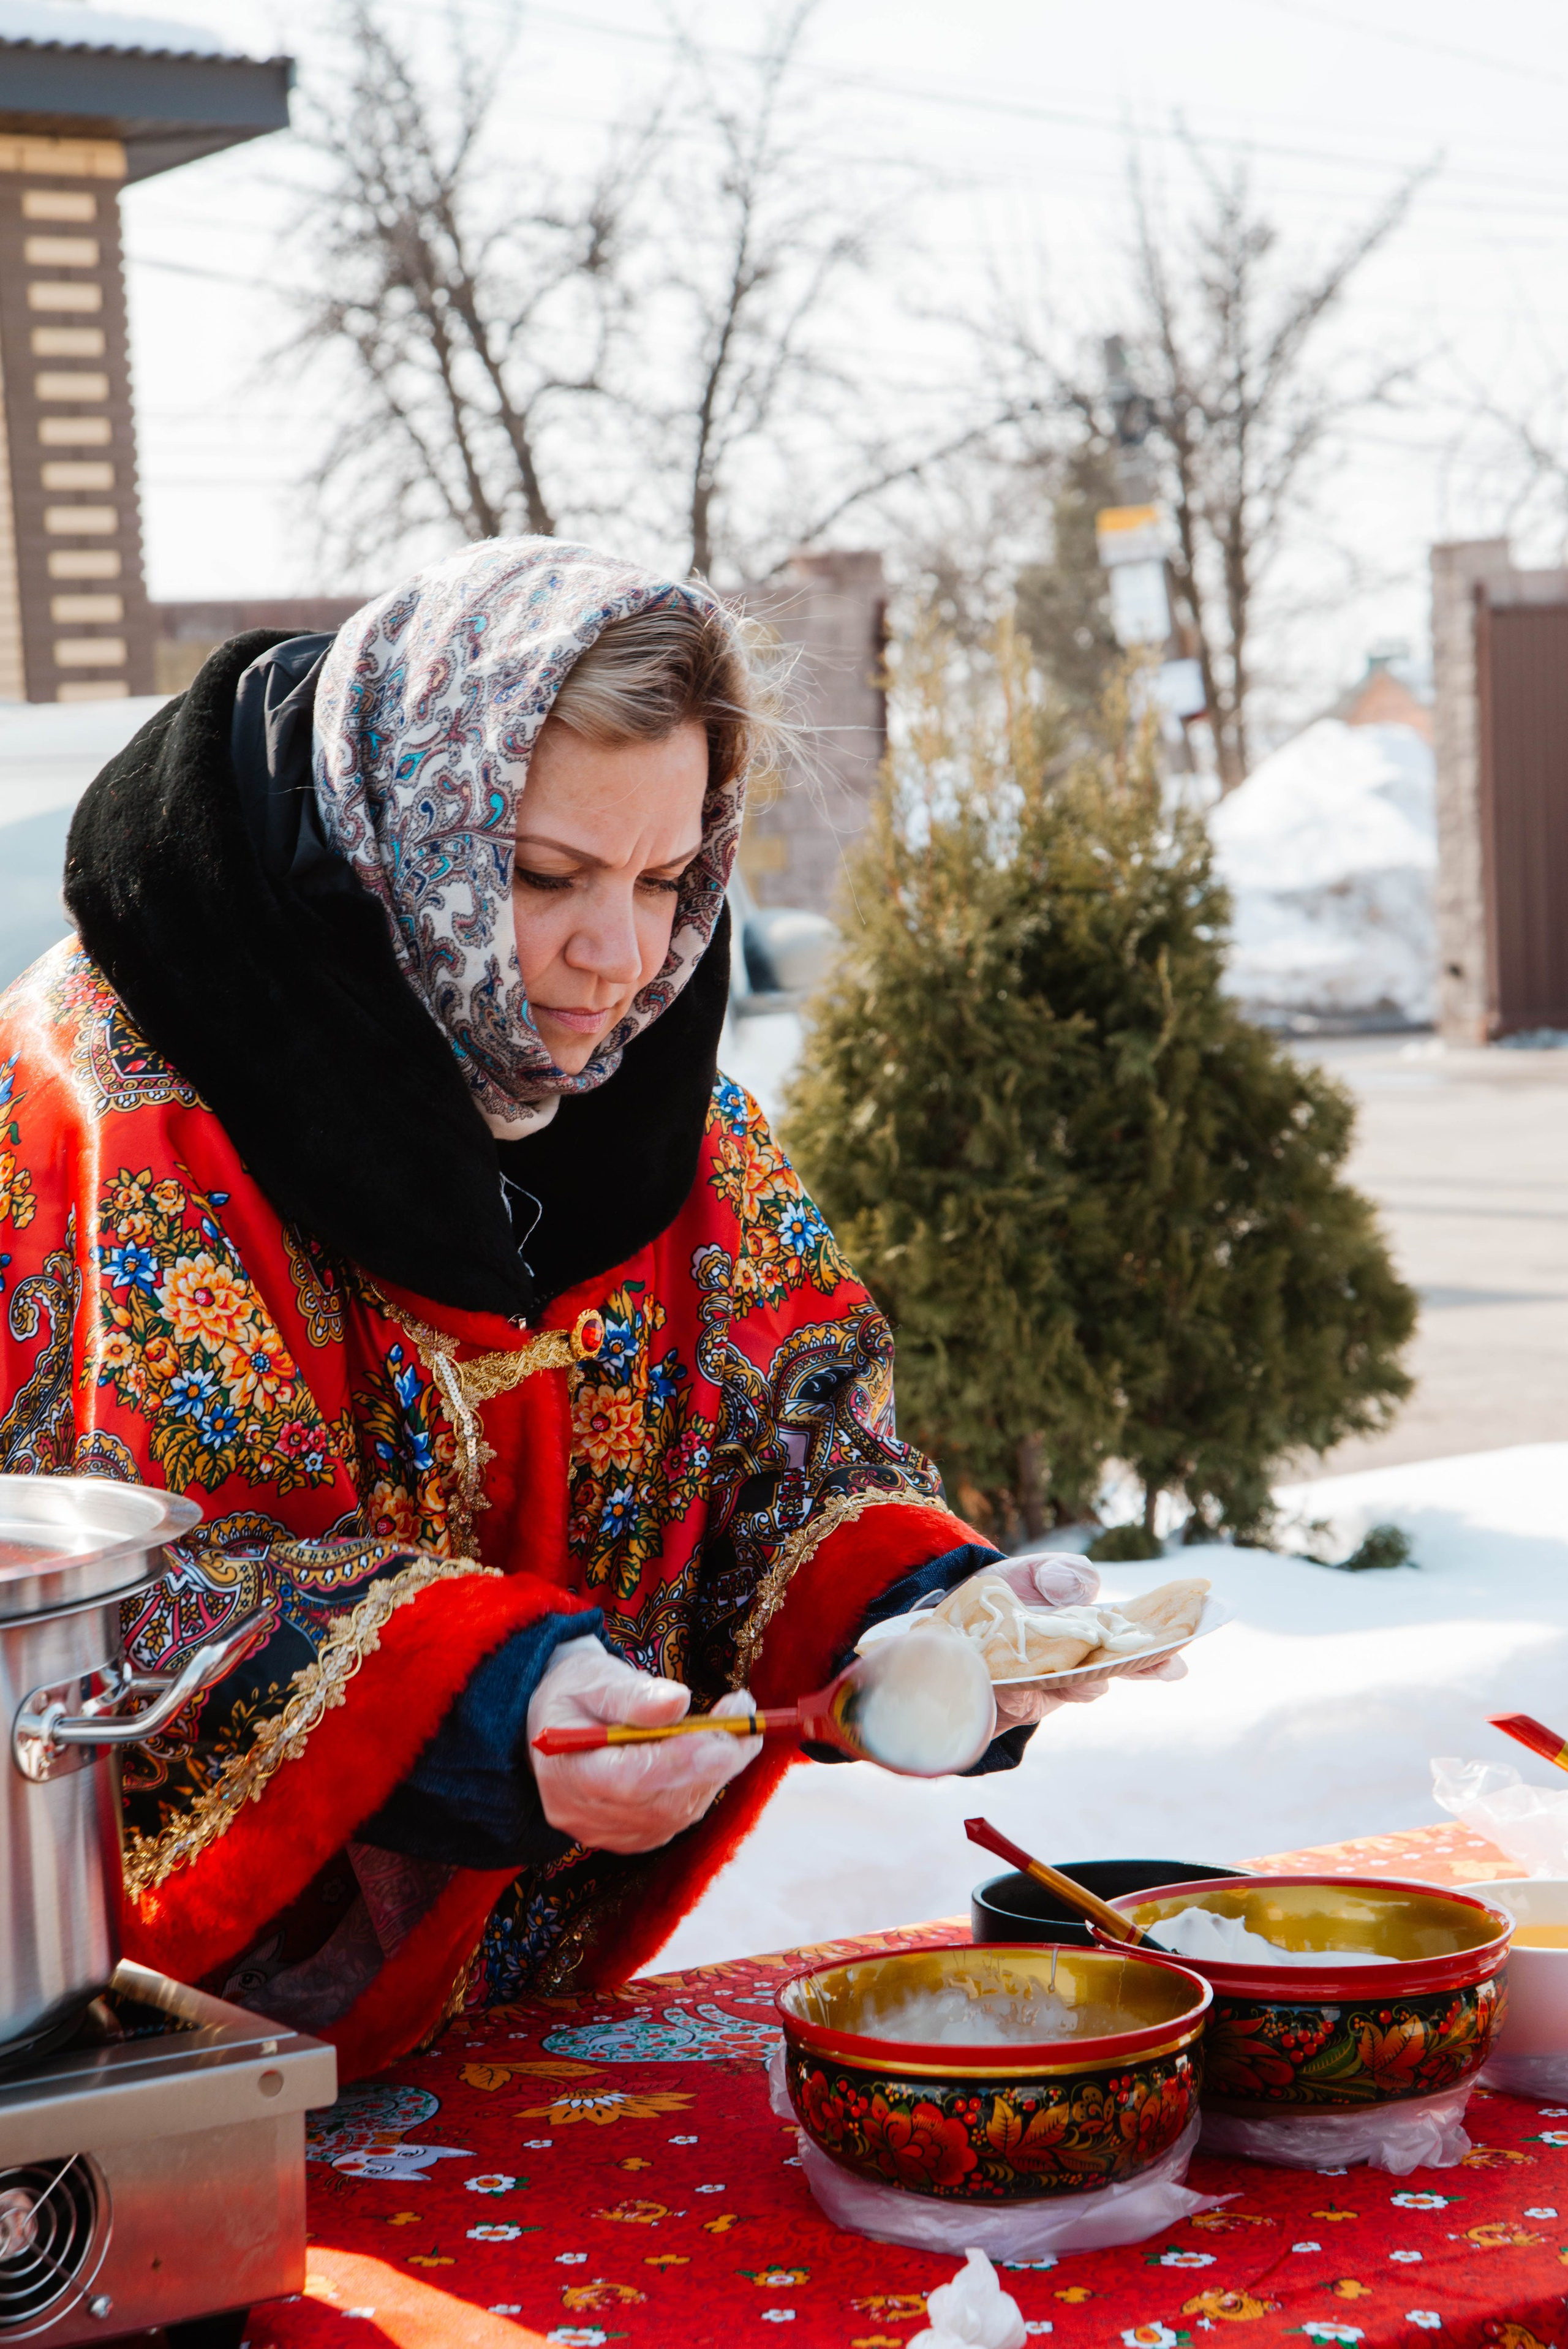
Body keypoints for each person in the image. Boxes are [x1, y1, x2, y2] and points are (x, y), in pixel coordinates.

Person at [0, 538, 1150, 2080]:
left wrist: (929, 1614)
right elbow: (128, 1595)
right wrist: (491, 1694)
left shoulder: (642, 1086)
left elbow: (778, 1445)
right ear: (396, 827)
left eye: (668, 877)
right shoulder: (119, 1095)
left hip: (507, 2033)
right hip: (131, 2054)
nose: (619, 957)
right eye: (545, 877)